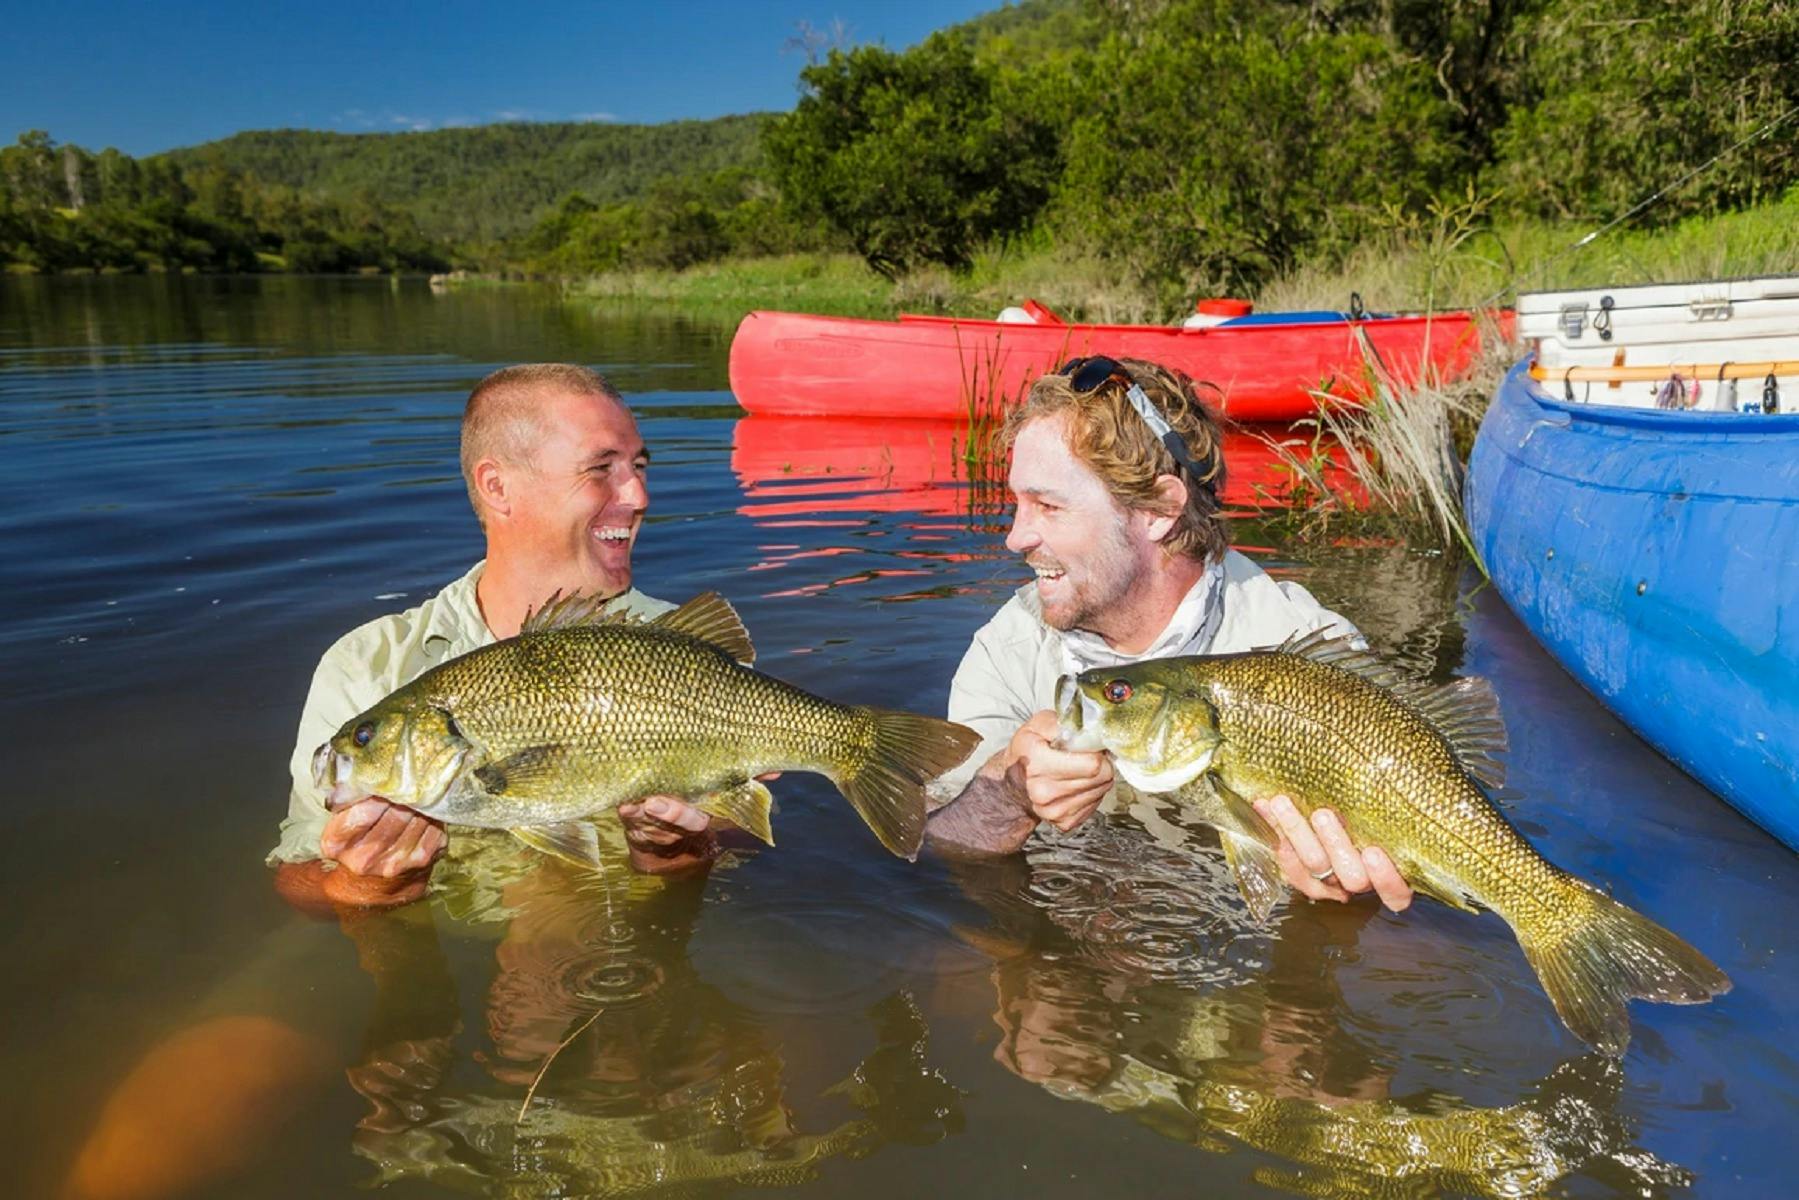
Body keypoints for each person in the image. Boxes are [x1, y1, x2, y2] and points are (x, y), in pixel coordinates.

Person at [924, 356, 1413, 912]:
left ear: (1158, 509)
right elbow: (942, 845)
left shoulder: (1307, 649)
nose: (1014, 538)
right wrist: (1009, 791)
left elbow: (1393, 876)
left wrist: (1349, 885)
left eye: (1049, 506)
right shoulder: (1009, 648)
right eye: (1017, 502)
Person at [270, 362, 720, 912]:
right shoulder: (368, 665)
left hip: (622, 950)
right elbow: (298, 881)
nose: (639, 495)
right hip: (454, 958)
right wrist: (370, 886)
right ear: (498, 487)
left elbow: (750, 842)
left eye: (639, 466)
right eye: (601, 469)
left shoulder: (677, 651)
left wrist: (679, 855)